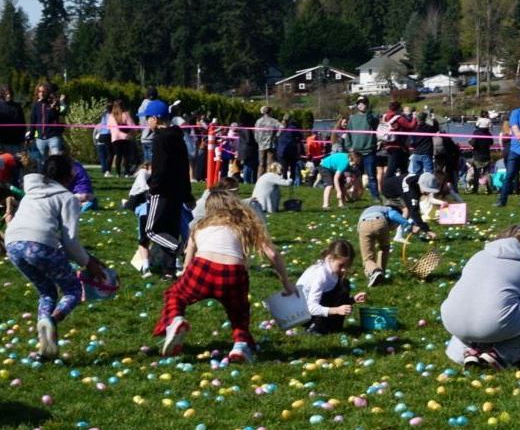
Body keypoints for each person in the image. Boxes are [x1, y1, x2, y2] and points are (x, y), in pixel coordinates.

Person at [155, 188, 293, 364]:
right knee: (239, 313)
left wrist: (184, 281)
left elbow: (188, 264)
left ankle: (175, 319)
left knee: (175, 295)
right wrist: (286, 282)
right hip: (234, 272)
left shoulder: (199, 226)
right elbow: (272, 255)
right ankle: (240, 345)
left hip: (202, 267)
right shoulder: (246, 224)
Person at [5, 154, 108, 359]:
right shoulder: (67, 198)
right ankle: (51, 320)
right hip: (39, 244)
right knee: (73, 290)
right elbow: (70, 242)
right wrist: (89, 264)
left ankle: (45, 345)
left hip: (13, 244)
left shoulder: (31, 193)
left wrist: (88, 258)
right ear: (69, 176)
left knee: (47, 292)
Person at [440, 223, 520, 369]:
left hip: (451, 319)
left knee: (476, 304)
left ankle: (465, 352)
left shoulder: (478, 256)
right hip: (489, 324)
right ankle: (501, 355)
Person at [145, 115, 194, 278]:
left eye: (148, 118)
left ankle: (180, 248)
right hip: (177, 191)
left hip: (162, 190)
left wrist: (153, 187)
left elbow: (159, 167)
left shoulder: (160, 139)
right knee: (170, 230)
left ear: (155, 118)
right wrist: (187, 193)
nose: (147, 122)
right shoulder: (178, 137)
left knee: (151, 230)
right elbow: (184, 167)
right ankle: (169, 270)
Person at [296, 238, 366, 333]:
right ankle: (316, 327)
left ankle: (331, 327)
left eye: (347, 265)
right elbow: (311, 307)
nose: (344, 269)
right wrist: (337, 310)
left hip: (311, 310)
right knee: (343, 285)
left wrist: (352, 300)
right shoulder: (321, 275)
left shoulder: (330, 269)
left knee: (344, 284)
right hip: (302, 315)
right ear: (330, 258)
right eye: (341, 265)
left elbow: (333, 298)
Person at [356, 201, 428, 287]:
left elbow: (359, 228)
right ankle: (378, 271)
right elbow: (393, 215)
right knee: (384, 248)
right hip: (380, 222)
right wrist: (409, 226)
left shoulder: (372, 209)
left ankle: (375, 272)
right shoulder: (388, 209)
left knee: (367, 258)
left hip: (363, 226)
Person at [349, 97, 380, 199]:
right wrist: (349, 147)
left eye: (364, 103)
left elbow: (374, 123)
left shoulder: (373, 116)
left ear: (367, 104)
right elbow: (348, 133)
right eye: (359, 103)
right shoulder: (352, 118)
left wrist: (369, 112)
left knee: (371, 175)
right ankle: (355, 194)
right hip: (356, 151)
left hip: (369, 150)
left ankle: (375, 196)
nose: (361, 105)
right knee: (355, 175)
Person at [378, 100, 417, 178]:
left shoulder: (384, 116)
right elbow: (410, 126)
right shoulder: (399, 118)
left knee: (402, 167)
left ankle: (402, 182)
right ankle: (387, 183)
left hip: (387, 144)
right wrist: (414, 118)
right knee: (392, 170)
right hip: (398, 146)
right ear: (398, 108)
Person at [29, 82, 65, 160]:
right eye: (39, 91)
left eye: (43, 91)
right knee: (41, 162)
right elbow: (33, 121)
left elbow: (55, 117)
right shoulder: (36, 105)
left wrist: (52, 108)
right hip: (40, 138)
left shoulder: (54, 103)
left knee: (56, 159)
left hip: (53, 136)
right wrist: (31, 136)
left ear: (47, 92)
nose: (41, 93)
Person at [137, 87, 168, 165]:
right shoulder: (153, 106)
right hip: (152, 138)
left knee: (147, 164)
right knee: (154, 164)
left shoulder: (141, 107)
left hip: (143, 138)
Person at [254, 106, 281, 176]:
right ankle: (268, 178)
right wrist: (276, 136)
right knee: (270, 163)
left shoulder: (258, 121)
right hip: (270, 144)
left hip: (261, 145)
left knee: (261, 164)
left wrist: (258, 140)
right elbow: (282, 128)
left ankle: (259, 179)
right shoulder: (274, 121)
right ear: (270, 112)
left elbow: (255, 132)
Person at [0, 85, 25, 150]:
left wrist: (22, 138)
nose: (8, 96)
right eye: (6, 94)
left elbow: (22, 124)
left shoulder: (17, 107)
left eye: (10, 94)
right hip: (2, 142)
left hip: (16, 142)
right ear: (2, 94)